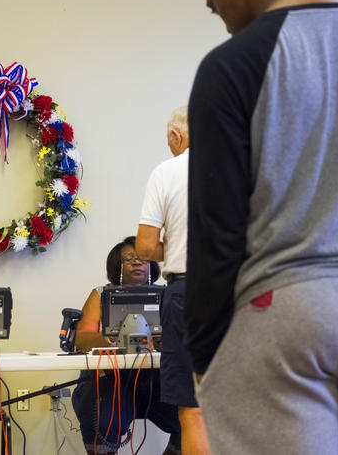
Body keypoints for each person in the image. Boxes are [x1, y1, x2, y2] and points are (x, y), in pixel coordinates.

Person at [185, 0, 338, 454]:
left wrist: (206, 358)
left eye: (213, 2)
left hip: (287, 308)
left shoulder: (231, 64)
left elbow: (217, 232)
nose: (220, 17)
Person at [135, 107, 210, 455]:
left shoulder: (167, 171)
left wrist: (180, 245)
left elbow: (145, 247)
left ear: (176, 137)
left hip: (188, 293)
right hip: (241, 293)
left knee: (192, 409)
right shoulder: (244, 168)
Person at [71, 236, 181, 455]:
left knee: (199, 408)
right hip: (112, 379)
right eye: (128, 259)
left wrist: (166, 340)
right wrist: (111, 340)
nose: (136, 262)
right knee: (99, 415)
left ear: (151, 264)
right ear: (116, 266)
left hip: (159, 380)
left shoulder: (168, 294)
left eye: (142, 258)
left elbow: (186, 337)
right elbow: (81, 337)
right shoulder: (100, 295)